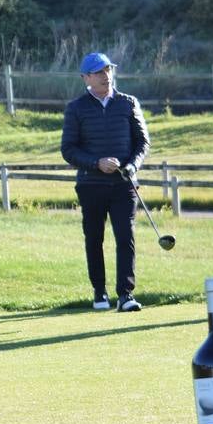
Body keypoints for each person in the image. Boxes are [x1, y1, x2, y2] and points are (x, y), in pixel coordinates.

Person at [60, 52, 150, 312]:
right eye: (99, 72)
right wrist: (96, 162)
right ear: (86, 77)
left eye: (108, 70)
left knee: (125, 237)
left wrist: (132, 166)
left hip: (123, 184)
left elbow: (142, 143)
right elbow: (69, 150)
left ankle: (125, 295)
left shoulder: (128, 103)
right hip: (91, 184)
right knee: (94, 238)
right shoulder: (76, 108)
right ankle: (100, 292)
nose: (105, 76)